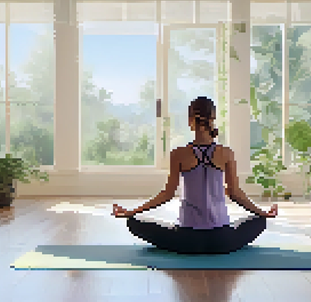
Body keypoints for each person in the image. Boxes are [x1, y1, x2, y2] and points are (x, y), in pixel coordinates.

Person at [113, 96, 278, 254]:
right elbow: (235, 193)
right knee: (259, 222)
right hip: (222, 240)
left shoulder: (179, 154)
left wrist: (132, 212)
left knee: (134, 224)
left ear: (190, 121)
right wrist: (262, 213)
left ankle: (138, 221)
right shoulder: (226, 153)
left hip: (186, 240)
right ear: (212, 119)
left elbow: (167, 194)